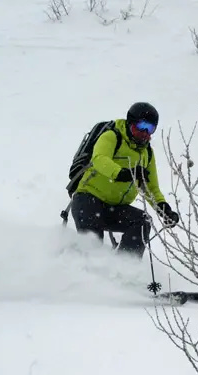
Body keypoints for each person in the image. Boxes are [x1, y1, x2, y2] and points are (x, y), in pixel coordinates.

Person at [70, 102, 180, 258]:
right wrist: (124, 173)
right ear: (130, 123)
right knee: (92, 252)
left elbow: (151, 187)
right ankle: (77, 270)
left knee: (142, 221)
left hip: (114, 209)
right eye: (142, 126)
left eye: (150, 128)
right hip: (88, 201)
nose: (145, 132)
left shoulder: (147, 153)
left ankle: (125, 271)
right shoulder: (112, 137)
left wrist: (163, 208)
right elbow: (100, 159)